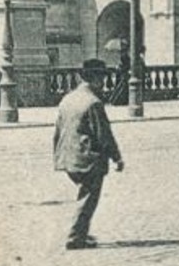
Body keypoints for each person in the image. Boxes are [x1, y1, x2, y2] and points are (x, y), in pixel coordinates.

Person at [53, 59, 125, 250]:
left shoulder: (67, 99)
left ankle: (82, 231)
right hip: (87, 158)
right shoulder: (93, 103)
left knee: (84, 193)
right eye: (102, 79)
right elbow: (104, 135)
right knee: (89, 198)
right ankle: (76, 237)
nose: (103, 83)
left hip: (67, 156)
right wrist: (116, 157)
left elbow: (58, 130)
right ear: (95, 79)